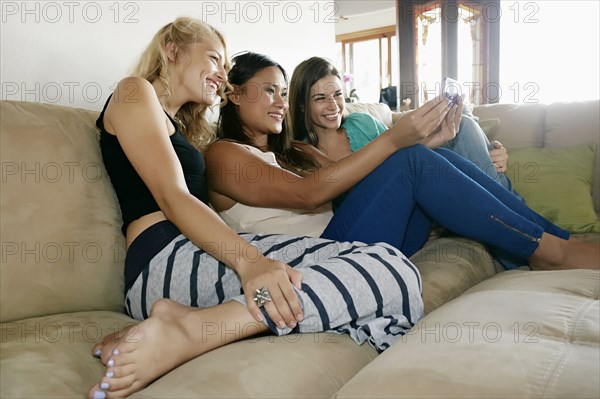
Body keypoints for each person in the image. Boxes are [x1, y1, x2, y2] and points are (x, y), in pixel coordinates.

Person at [87, 18, 426, 399]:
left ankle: (201, 324)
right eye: (214, 58)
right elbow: (173, 196)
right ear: (173, 49)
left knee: (393, 271)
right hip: (162, 258)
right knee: (390, 273)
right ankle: (188, 331)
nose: (223, 75)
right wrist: (250, 261)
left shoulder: (179, 129)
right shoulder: (134, 92)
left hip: (198, 255)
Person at [206, 51, 599, 271]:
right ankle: (552, 252)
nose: (279, 101)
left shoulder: (295, 152)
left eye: (283, 91)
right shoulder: (224, 153)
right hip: (320, 259)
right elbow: (309, 195)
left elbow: (364, 189)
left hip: (359, 236)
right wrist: (396, 139)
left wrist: (433, 143)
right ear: (235, 95)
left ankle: (561, 241)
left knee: (429, 154)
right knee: (410, 158)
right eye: (269, 91)